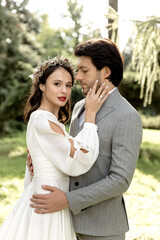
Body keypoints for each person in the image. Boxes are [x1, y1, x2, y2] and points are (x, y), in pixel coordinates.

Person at [28, 39, 143, 240]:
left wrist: (68, 200)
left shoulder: (127, 116)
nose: (77, 76)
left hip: (102, 228)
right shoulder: (80, 107)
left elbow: (120, 180)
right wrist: (44, 161)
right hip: (64, 223)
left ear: (105, 72)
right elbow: (72, 152)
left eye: (84, 70)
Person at [0, 56, 109, 240]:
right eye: (57, 84)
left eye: (68, 85)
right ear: (41, 85)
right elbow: (79, 160)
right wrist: (90, 117)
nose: (64, 91)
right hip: (48, 199)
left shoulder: (49, 120)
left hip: (52, 197)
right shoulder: (42, 118)